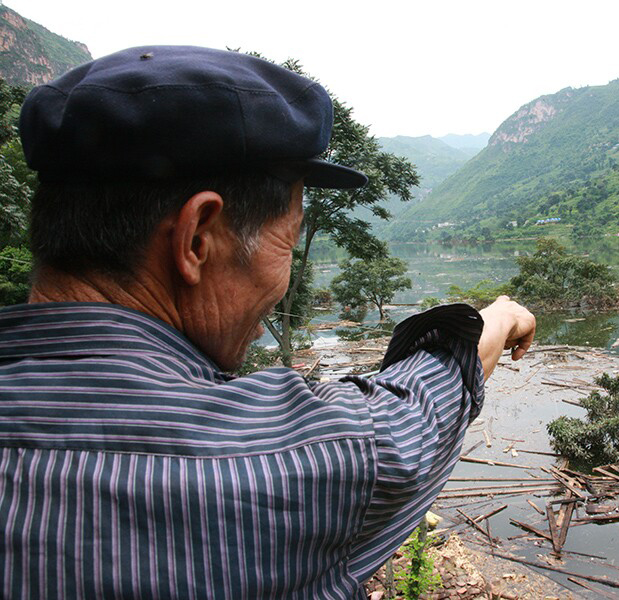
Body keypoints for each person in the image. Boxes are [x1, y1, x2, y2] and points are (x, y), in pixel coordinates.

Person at [0, 46, 535, 598]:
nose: (283, 287)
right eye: (288, 236)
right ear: (198, 238)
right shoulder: (269, 463)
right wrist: (499, 316)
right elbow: (411, 421)